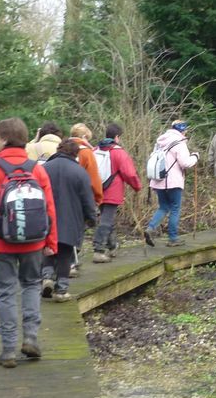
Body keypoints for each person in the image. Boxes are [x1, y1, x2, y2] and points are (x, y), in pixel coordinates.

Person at [0, 118, 58, 368]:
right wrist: (52, 243)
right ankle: (30, 337)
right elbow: (49, 209)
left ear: (4, 138)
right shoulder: (37, 169)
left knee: (6, 291)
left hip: (1, 243)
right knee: (31, 286)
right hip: (34, 242)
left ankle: (8, 350)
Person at [40, 138, 98, 302]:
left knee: (47, 249)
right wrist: (91, 218)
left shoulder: (44, 169)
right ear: (75, 154)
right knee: (65, 253)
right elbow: (87, 199)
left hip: (46, 218)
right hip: (70, 219)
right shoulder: (79, 172)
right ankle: (61, 290)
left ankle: (47, 277)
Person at [93, 123, 143, 262]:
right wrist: (137, 186)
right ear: (117, 137)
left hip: (97, 189)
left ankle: (113, 245)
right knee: (106, 220)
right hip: (112, 191)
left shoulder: (96, 149)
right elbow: (129, 173)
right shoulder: (118, 152)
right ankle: (98, 250)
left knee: (106, 218)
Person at [145, 119, 199, 247]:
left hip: (158, 180)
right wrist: (195, 157)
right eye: (185, 129)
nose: (186, 132)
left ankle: (151, 228)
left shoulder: (159, 142)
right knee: (175, 208)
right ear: (182, 130)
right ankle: (173, 238)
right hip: (173, 181)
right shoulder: (179, 143)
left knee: (163, 207)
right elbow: (185, 163)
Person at [67, 123, 103, 275]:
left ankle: (67, 261)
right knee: (78, 228)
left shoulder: (63, 148)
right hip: (81, 195)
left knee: (66, 227)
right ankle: (71, 262)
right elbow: (94, 178)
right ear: (83, 137)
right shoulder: (87, 152)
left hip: (63, 194)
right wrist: (98, 197)